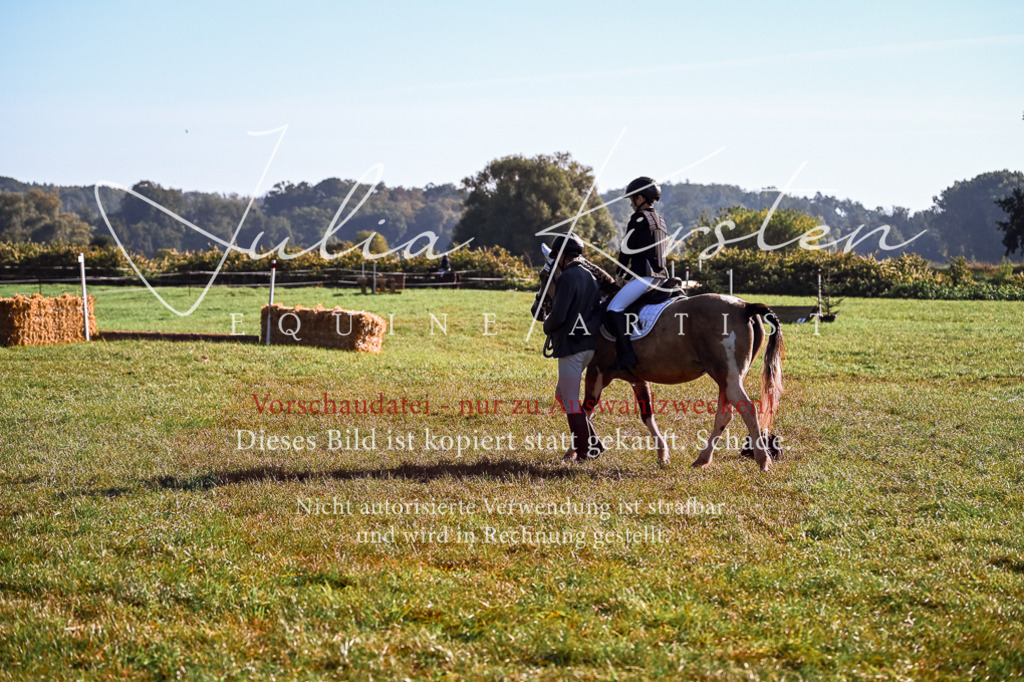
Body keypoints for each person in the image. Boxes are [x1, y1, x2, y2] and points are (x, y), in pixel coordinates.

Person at [543, 233, 605, 461]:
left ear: (561, 256)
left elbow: (558, 315)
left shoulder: (567, 278)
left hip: (571, 347)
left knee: (569, 400)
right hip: (588, 347)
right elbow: (598, 311)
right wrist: (586, 328)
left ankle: (585, 453)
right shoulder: (590, 276)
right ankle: (593, 443)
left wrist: (547, 326)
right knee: (562, 394)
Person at [605, 176, 669, 371]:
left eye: (632, 200)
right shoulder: (660, 219)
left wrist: (619, 274)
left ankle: (626, 357)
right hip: (662, 277)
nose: (631, 205)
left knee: (613, 308)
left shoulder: (638, 218)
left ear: (640, 198)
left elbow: (627, 250)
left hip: (645, 277)